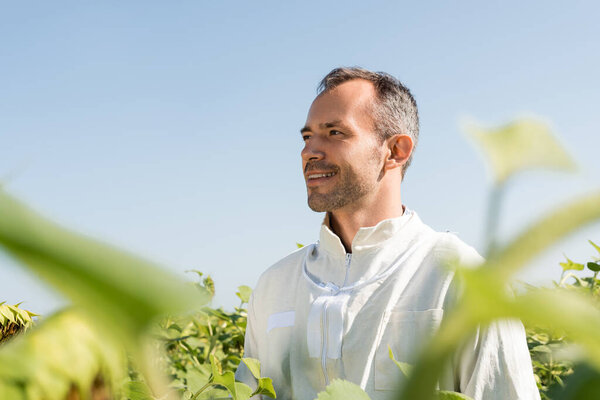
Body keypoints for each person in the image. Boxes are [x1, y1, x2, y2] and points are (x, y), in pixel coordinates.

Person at [236, 67, 540, 400]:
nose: (309, 151)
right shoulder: (274, 285)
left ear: (396, 150)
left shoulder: (463, 278)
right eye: (307, 136)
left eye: (335, 132)